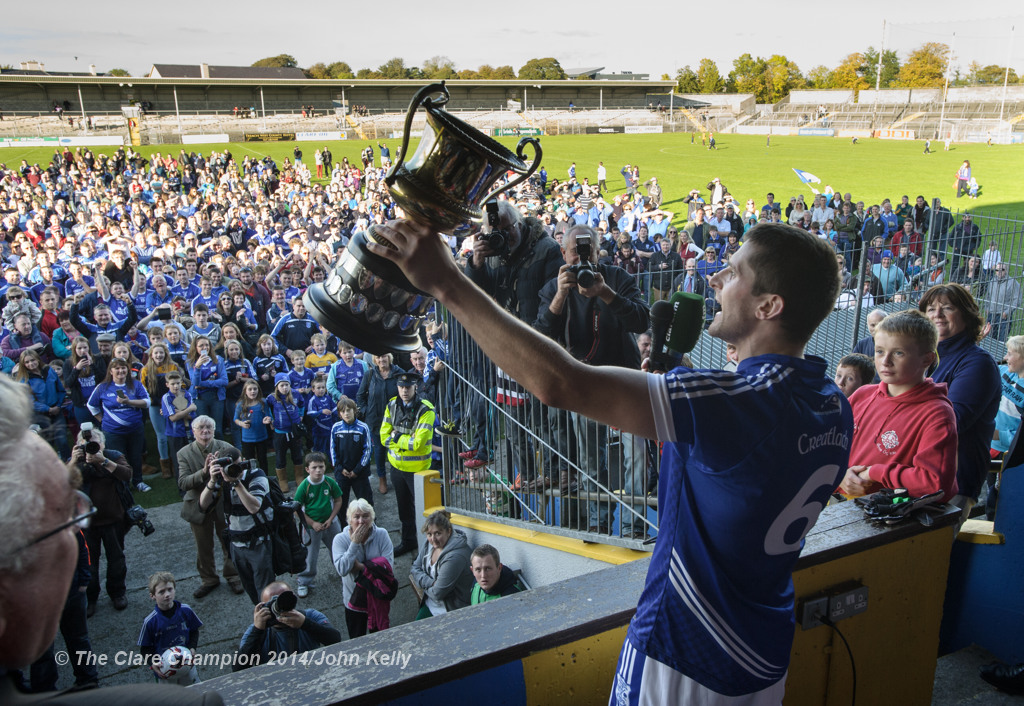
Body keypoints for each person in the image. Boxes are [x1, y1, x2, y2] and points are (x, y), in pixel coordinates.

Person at [366, 219, 851, 703]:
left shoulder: (732, 401)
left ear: (769, 306)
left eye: (732, 271)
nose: (714, 278)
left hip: (685, 654)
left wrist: (447, 282)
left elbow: (561, 383)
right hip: (763, 651)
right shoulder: (834, 404)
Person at [1, 375, 226, 704]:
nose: (69, 538)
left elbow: (125, 475)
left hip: (114, 524)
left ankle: (111, 602)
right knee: (88, 578)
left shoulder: (113, 456)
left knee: (111, 571)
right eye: (63, 512)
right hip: (98, 529)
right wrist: (76, 462)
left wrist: (102, 459)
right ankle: (93, 597)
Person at [534, 224, 649, 532]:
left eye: (589, 252)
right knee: (589, 462)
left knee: (636, 455)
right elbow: (541, 335)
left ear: (600, 252)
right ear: (563, 253)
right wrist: (560, 295)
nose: (582, 260)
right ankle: (597, 524)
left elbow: (641, 318)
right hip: (583, 384)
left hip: (625, 381)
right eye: (575, 253)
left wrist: (605, 293)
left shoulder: (617, 278)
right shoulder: (554, 286)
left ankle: (632, 526)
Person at [839, 310, 958, 502]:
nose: (885, 361)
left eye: (898, 353)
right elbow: (833, 450)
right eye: (879, 351)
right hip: (838, 507)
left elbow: (935, 483)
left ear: (927, 359)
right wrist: (841, 474)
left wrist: (875, 473)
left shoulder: (937, 414)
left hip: (889, 521)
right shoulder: (862, 395)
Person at [920, 284, 1001, 519]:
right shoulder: (928, 359)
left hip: (953, 483)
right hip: (917, 477)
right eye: (931, 309)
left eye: (947, 308)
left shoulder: (977, 363)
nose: (937, 314)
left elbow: (950, 423)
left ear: (966, 315)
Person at [178, 416, 244, 599]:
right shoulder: (184, 453)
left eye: (209, 427)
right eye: (201, 427)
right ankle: (209, 579)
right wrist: (204, 472)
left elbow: (237, 471)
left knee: (228, 541)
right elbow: (183, 483)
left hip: (223, 503)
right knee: (203, 545)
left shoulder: (225, 447)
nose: (205, 430)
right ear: (193, 431)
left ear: (214, 430)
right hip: (198, 505)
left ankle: (233, 575)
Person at [199, 448, 274, 605]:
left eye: (238, 465)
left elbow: (254, 507)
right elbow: (203, 505)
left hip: (259, 541)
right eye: (231, 467)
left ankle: (270, 618)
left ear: (244, 460)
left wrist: (236, 483)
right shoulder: (221, 480)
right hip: (236, 545)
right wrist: (212, 480)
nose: (235, 470)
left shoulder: (256, 475)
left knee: (266, 590)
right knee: (250, 588)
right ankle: (261, 615)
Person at [381, 372, 435, 556]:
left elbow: (418, 444)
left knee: (423, 511)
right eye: (401, 387)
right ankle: (409, 542)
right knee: (404, 510)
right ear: (397, 387)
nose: (404, 390)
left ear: (415, 387)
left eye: (408, 387)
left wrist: (396, 436)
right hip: (397, 468)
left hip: (418, 470)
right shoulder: (392, 405)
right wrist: (405, 440)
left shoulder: (426, 410)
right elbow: (382, 436)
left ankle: (428, 548)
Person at [234, 581, 340, 671]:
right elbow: (239, 668)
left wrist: (305, 624)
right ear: (263, 607)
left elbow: (335, 639)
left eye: (284, 600)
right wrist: (257, 630)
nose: (280, 609)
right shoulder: (257, 629)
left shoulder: (309, 616)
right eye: (272, 604)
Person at [332, 498, 395, 638]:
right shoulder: (340, 539)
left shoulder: (382, 535)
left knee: (380, 639)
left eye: (365, 516)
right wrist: (354, 543)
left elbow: (388, 568)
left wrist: (360, 566)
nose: (361, 521)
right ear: (349, 520)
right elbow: (342, 569)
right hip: (353, 600)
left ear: (372, 518)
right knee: (357, 640)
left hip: (378, 597)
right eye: (356, 517)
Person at [137, 571, 203, 684]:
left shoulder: (186, 610)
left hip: (186, 664)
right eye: (161, 592)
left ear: (174, 589)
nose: (167, 594)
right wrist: (153, 663)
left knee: (194, 691)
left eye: (170, 589)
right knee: (170, 698)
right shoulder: (150, 621)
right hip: (165, 669)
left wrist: (192, 648)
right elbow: (145, 649)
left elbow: (194, 631)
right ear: (152, 596)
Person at [293, 452, 344, 598]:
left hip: (331, 524)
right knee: (310, 554)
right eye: (314, 467)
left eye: (321, 467)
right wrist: (312, 523)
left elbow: (338, 500)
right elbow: (297, 509)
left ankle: (343, 571)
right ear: (307, 469)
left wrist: (331, 518)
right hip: (311, 527)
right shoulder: (304, 487)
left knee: (338, 548)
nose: (318, 470)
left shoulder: (329, 482)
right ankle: (304, 581)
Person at [410, 510, 474, 619]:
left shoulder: (456, 556)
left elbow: (437, 594)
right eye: (429, 534)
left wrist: (421, 583)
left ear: (448, 531)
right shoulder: (429, 545)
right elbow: (415, 567)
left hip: (451, 610)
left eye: (438, 533)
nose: (433, 539)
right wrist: (430, 582)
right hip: (430, 603)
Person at [330, 395, 374, 508]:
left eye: (349, 410)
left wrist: (357, 470)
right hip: (342, 472)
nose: (346, 414)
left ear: (354, 410)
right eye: (343, 411)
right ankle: (343, 524)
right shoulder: (336, 428)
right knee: (341, 502)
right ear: (339, 414)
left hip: (359, 473)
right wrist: (340, 468)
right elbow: (332, 450)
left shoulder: (363, 427)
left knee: (365, 502)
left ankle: (370, 524)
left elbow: (368, 450)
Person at [983, 264, 1021, 342]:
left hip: (1003, 317)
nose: (999, 272)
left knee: (1001, 340)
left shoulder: (1013, 282)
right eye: (997, 270)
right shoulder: (992, 281)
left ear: (1006, 271)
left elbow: (1017, 300)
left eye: (1002, 270)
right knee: (989, 338)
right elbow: (988, 296)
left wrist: (1007, 312)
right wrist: (987, 307)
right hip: (991, 314)